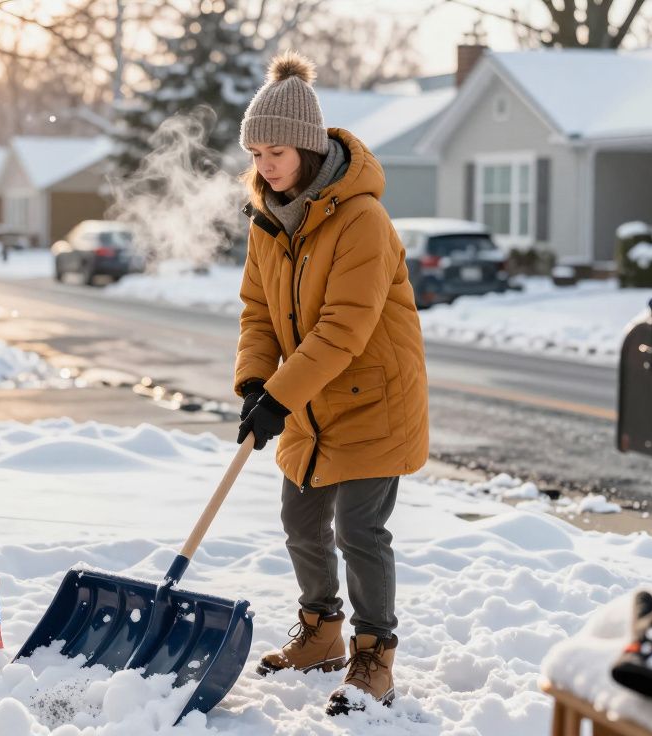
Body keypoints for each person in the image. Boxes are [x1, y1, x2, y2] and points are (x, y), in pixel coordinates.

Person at [233, 50, 429, 716]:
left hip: (373, 398)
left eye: (277, 151)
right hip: (309, 400)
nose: (265, 165)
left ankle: (375, 656)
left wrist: (278, 397)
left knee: (359, 531)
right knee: (300, 521)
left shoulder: (362, 221)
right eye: (256, 152)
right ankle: (321, 633)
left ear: (310, 148)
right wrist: (255, 382)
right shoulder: (268, 221)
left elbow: (344, 329)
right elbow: (258, 312)